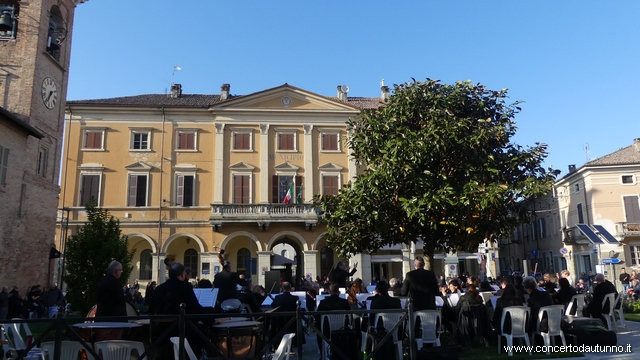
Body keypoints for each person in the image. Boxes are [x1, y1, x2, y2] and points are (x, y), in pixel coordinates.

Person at [149, 263, 214, 359]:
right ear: (182, 274)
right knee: (202, 333)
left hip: (159, 332)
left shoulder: (159, 288)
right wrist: (211, 321)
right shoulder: (185, 286)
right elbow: (195, 308)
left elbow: (150, 310)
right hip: (179, 330)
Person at [316, 283, 350, 354]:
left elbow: (317, 317)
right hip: (342, 330)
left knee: (318, 330)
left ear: (329, 291)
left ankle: (323, 353)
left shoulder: (323, 303)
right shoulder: (344, 302)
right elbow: (349, 317)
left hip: (326, 330)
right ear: (339, 292)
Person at [270, 282, 301, 350]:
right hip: (292, 320)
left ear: (282, 289)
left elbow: (273, 305)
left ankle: (276, 344)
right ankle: (293, 344)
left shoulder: (278, 297)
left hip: (279, 320)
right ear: (290, 289)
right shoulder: (295, 298)